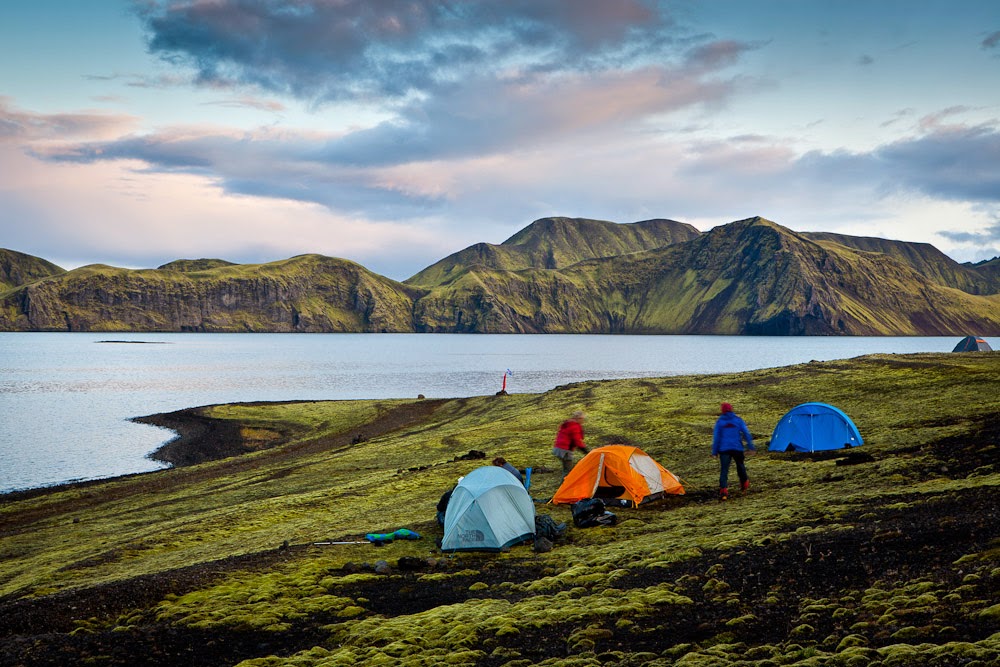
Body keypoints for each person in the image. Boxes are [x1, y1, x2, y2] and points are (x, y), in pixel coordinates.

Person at [712, 402, 755, 500]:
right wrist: (751, 446)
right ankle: (744, 483)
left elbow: (716, 437)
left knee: (724, 470)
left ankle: (723, 490)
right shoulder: (738, 420)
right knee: (740, 466)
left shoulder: (720, 422)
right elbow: (746, 433)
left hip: (724, 449)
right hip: (737, 448)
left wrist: (715, 451)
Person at [553, 410, 589, 477]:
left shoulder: (567, 424)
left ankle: (564, 484)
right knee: (568, 472)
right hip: (564, 450)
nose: (583, 421)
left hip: (558, 448)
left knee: (566, 468)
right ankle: (565, 486)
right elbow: (577, 440)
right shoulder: (574, 426)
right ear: (578, 418)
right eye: (582, 419)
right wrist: (586, 451)